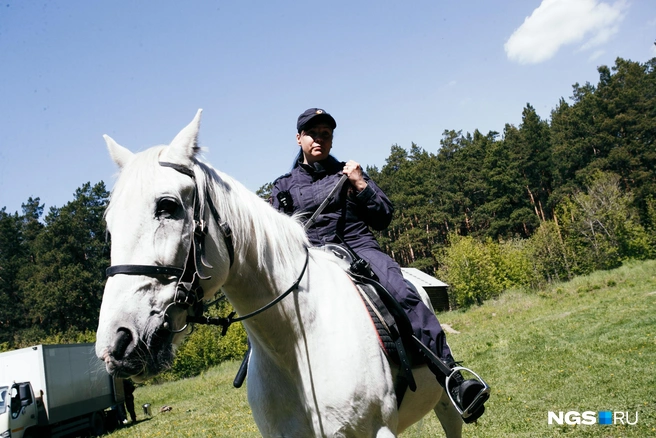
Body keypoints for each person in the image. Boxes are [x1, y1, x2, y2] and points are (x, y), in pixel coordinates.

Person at [271, 108, 488, 423]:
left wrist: (361, 185)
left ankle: (452, 377)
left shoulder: (348, 172)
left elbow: (384, 216)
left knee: (403, 292)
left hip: (358, 250)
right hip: (311, 260)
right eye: (312, 133)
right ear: (299, 138)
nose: (319, 139)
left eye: (325, 134)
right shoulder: (283, 186)